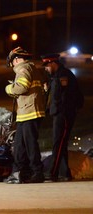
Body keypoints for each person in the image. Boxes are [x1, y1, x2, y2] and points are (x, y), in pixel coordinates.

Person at [4, 47, 47, 184]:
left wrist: (9, 88)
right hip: (27, 112)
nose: (12, 66)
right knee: (19, 145)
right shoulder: (32, 68)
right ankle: (19, 173)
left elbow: (21, 88)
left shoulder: (23, 69)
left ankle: (36, 172)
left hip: (30, 112)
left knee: (30, 145)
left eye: (12, 63)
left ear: (16, 60)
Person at [41, 53, 84, 182]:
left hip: (64, 114)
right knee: (61, 144)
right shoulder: (56, 76)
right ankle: (65, 173)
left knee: (58, 143)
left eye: (47, 65)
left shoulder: (63, 76)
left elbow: (65, 97)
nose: (46, 68)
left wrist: (61, 112)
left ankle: (52, 172)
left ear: (53, 63)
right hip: (59, 114)